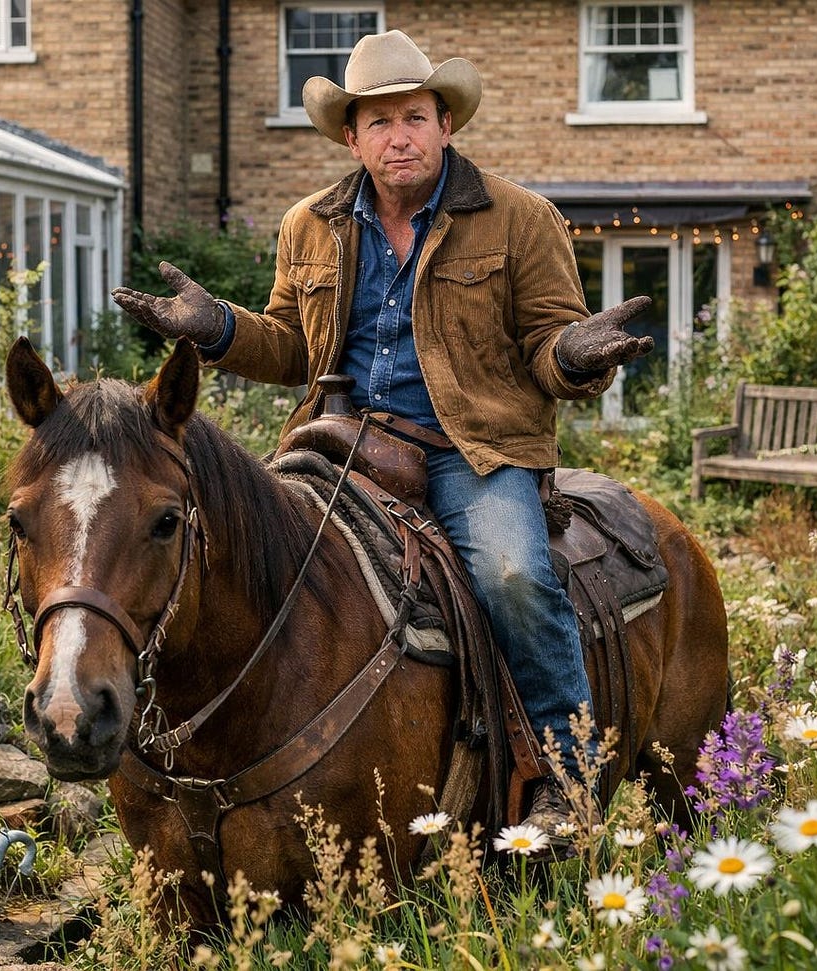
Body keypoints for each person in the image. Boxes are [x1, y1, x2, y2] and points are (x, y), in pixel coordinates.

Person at [112, 29, 652, 842]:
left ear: (446, 125)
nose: (399, 137)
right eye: (379, 122)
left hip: (471, 451)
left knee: (512, 575)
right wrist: (217, 327)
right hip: (339, 442)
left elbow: (548, 342)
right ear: (351, 137)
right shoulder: (310, 224)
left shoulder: (519, 218)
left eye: (415, 117)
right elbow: (291, 345)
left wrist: (573, 354)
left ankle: (566, 777)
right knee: (232, 560)